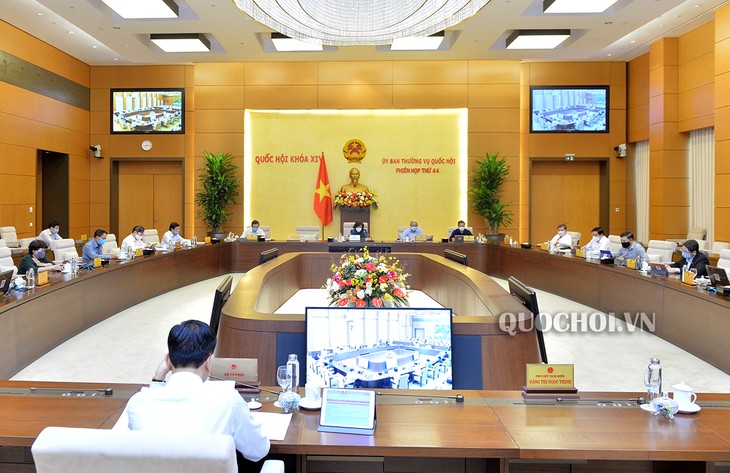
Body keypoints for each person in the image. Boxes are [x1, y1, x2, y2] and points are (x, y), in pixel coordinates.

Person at [125, 320, 270, 463]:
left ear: (168, 361)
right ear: (208, 362)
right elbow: (257, 451)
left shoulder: (139, 402)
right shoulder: (228, 400)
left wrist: (158, 378)